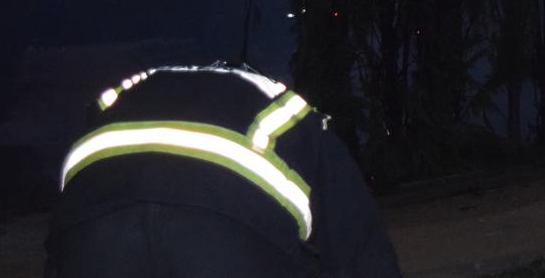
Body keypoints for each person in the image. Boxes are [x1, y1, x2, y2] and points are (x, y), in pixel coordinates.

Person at [44, 62, 401, 277]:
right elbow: (362, 254)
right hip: (225, 237)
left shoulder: (119, 100)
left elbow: (59, 249)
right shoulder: (298, 119)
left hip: (93, 230)